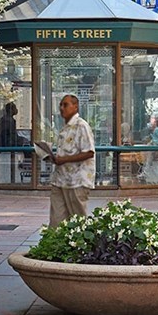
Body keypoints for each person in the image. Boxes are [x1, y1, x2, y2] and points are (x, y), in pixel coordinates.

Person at [49, 94, 95, 227]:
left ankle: (81, 247)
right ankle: (56, 245)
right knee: (56, 221)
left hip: (77, 181)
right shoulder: (65, 128)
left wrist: (64, 159)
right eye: (61, 105)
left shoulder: (81, 126)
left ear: (75, 107)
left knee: (78, 222)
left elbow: (89, 152)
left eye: (66, 105)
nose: (62, 108)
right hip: (60, 180)